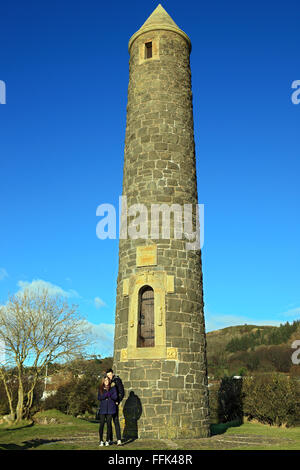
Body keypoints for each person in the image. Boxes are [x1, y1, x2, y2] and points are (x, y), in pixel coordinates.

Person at [97, 376, 119, 447]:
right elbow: (99, 397)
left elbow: (115, 397)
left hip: (110, 409)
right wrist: (106, 395)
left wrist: (109, 394)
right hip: (103, 409)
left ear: (109, 381)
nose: (106, 381)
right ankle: (101, 440)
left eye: (107, 380)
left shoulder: (113, 388)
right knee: (102, 424)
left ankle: (107, 440)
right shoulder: (100, 388)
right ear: (103, 381)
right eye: (105, 380)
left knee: (109, 425)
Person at [105, 368, 124, 445]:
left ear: (112, 373)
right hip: (108, 404)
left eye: (110, 374)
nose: (109, 376)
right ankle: (110, 439)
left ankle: (119, 439)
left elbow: (121, 392)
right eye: (108, 375)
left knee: (116, 421)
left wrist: (118, 401)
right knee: (109, 422)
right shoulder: (107, 381)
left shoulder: (117, 380)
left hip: (114, 403)